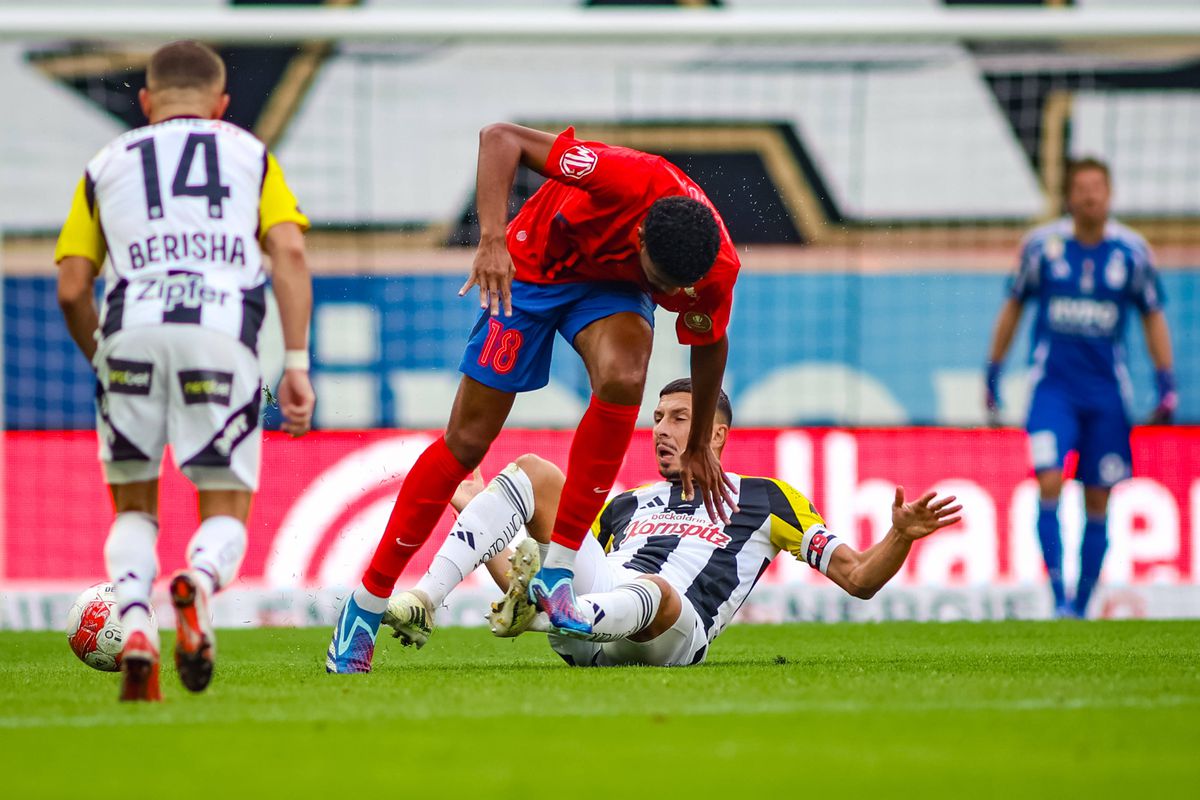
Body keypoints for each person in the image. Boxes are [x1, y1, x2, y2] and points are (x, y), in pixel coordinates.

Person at [327, 124, 741, 673]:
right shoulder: (620, 177)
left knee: (623, 376)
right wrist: (492, 239)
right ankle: (365, 606)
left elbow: (709, 343)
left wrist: (697, 447)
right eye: (659, 283)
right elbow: (500, 139)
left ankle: (557, 573)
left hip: (610, 289)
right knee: (467, 442)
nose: (669, 297)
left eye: (676, 289)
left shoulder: (711, 267)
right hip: (532, 265)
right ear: (639, 236)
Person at [55, 41, 315, 701]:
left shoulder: (105, 163)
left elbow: (70, 287)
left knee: (135, 508)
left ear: (144, 102)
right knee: (226, 504)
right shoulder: (249, 154)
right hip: (221, 334)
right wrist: (294, 362)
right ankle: (196, 583)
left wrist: (102, 356)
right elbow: (287, 248)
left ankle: (136, 622)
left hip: (130, 332)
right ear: (223, 105)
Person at [381, 379, 961, 666]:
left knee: (655, 589)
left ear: (716, 435)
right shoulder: (625, 504)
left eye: (679, 417)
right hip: (593, 627)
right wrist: (476, 522)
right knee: (534, 471)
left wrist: (899, 536)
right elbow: (533, 580)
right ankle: (428, 598)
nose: (660, 428)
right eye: (657, 417)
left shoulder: (766, 498)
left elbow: (857, 578)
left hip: (672, 633)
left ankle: (550, 619)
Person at [985, 157, 1177, 619]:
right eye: (1082, 188)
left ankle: (1083, 603)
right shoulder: (1041, 248)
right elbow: (1013, 307)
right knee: (1048, 479)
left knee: (1098, 495)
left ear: (1109, 195)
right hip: (1053, 391)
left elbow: (1153, 317)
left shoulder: (1132, 253)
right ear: (1069, 197)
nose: (1090, 195)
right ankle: (1059, 599)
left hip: (1107, 395)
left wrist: (1165, 381)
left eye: (1098, 187)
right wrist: (993, 369)